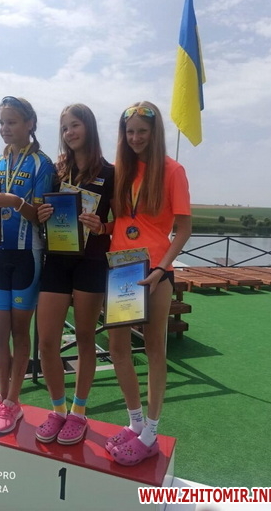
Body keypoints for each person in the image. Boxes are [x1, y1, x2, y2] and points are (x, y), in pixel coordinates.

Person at [105, 101, 191, 465]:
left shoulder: (173, 170)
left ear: (155, 133)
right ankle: (135, 423)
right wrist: (101, 226)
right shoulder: (121, 170)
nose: (136, 138)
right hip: (121, 269)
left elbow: (183, 229)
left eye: (142, 131)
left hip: (155, 273)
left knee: (155, 350)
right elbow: (122, 221)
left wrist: (161, 269)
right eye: (130, 131)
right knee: (118, 350)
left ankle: (152, 433)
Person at [0, 96, 55, 435]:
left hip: (26, 255)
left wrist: (16, 202)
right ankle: (1, 398)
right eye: (2, 123)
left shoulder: (42, 165)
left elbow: (41, 217)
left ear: (30, 123)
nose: (5, 128)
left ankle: (14, 402)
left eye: (12, 122)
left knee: (19, 333)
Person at [35, 104, 114, 445]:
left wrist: (102, 226)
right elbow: (42, 211)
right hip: (57, 259)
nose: (69, 133)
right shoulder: (57, 172)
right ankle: (57, 410)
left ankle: (78, 412)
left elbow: (123, 223)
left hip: (91, 263)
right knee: (47, 341)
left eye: (75, 125)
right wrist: (42, 213)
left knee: (84, 338)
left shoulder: (111, 173)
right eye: (65, 127)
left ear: (89, 128)